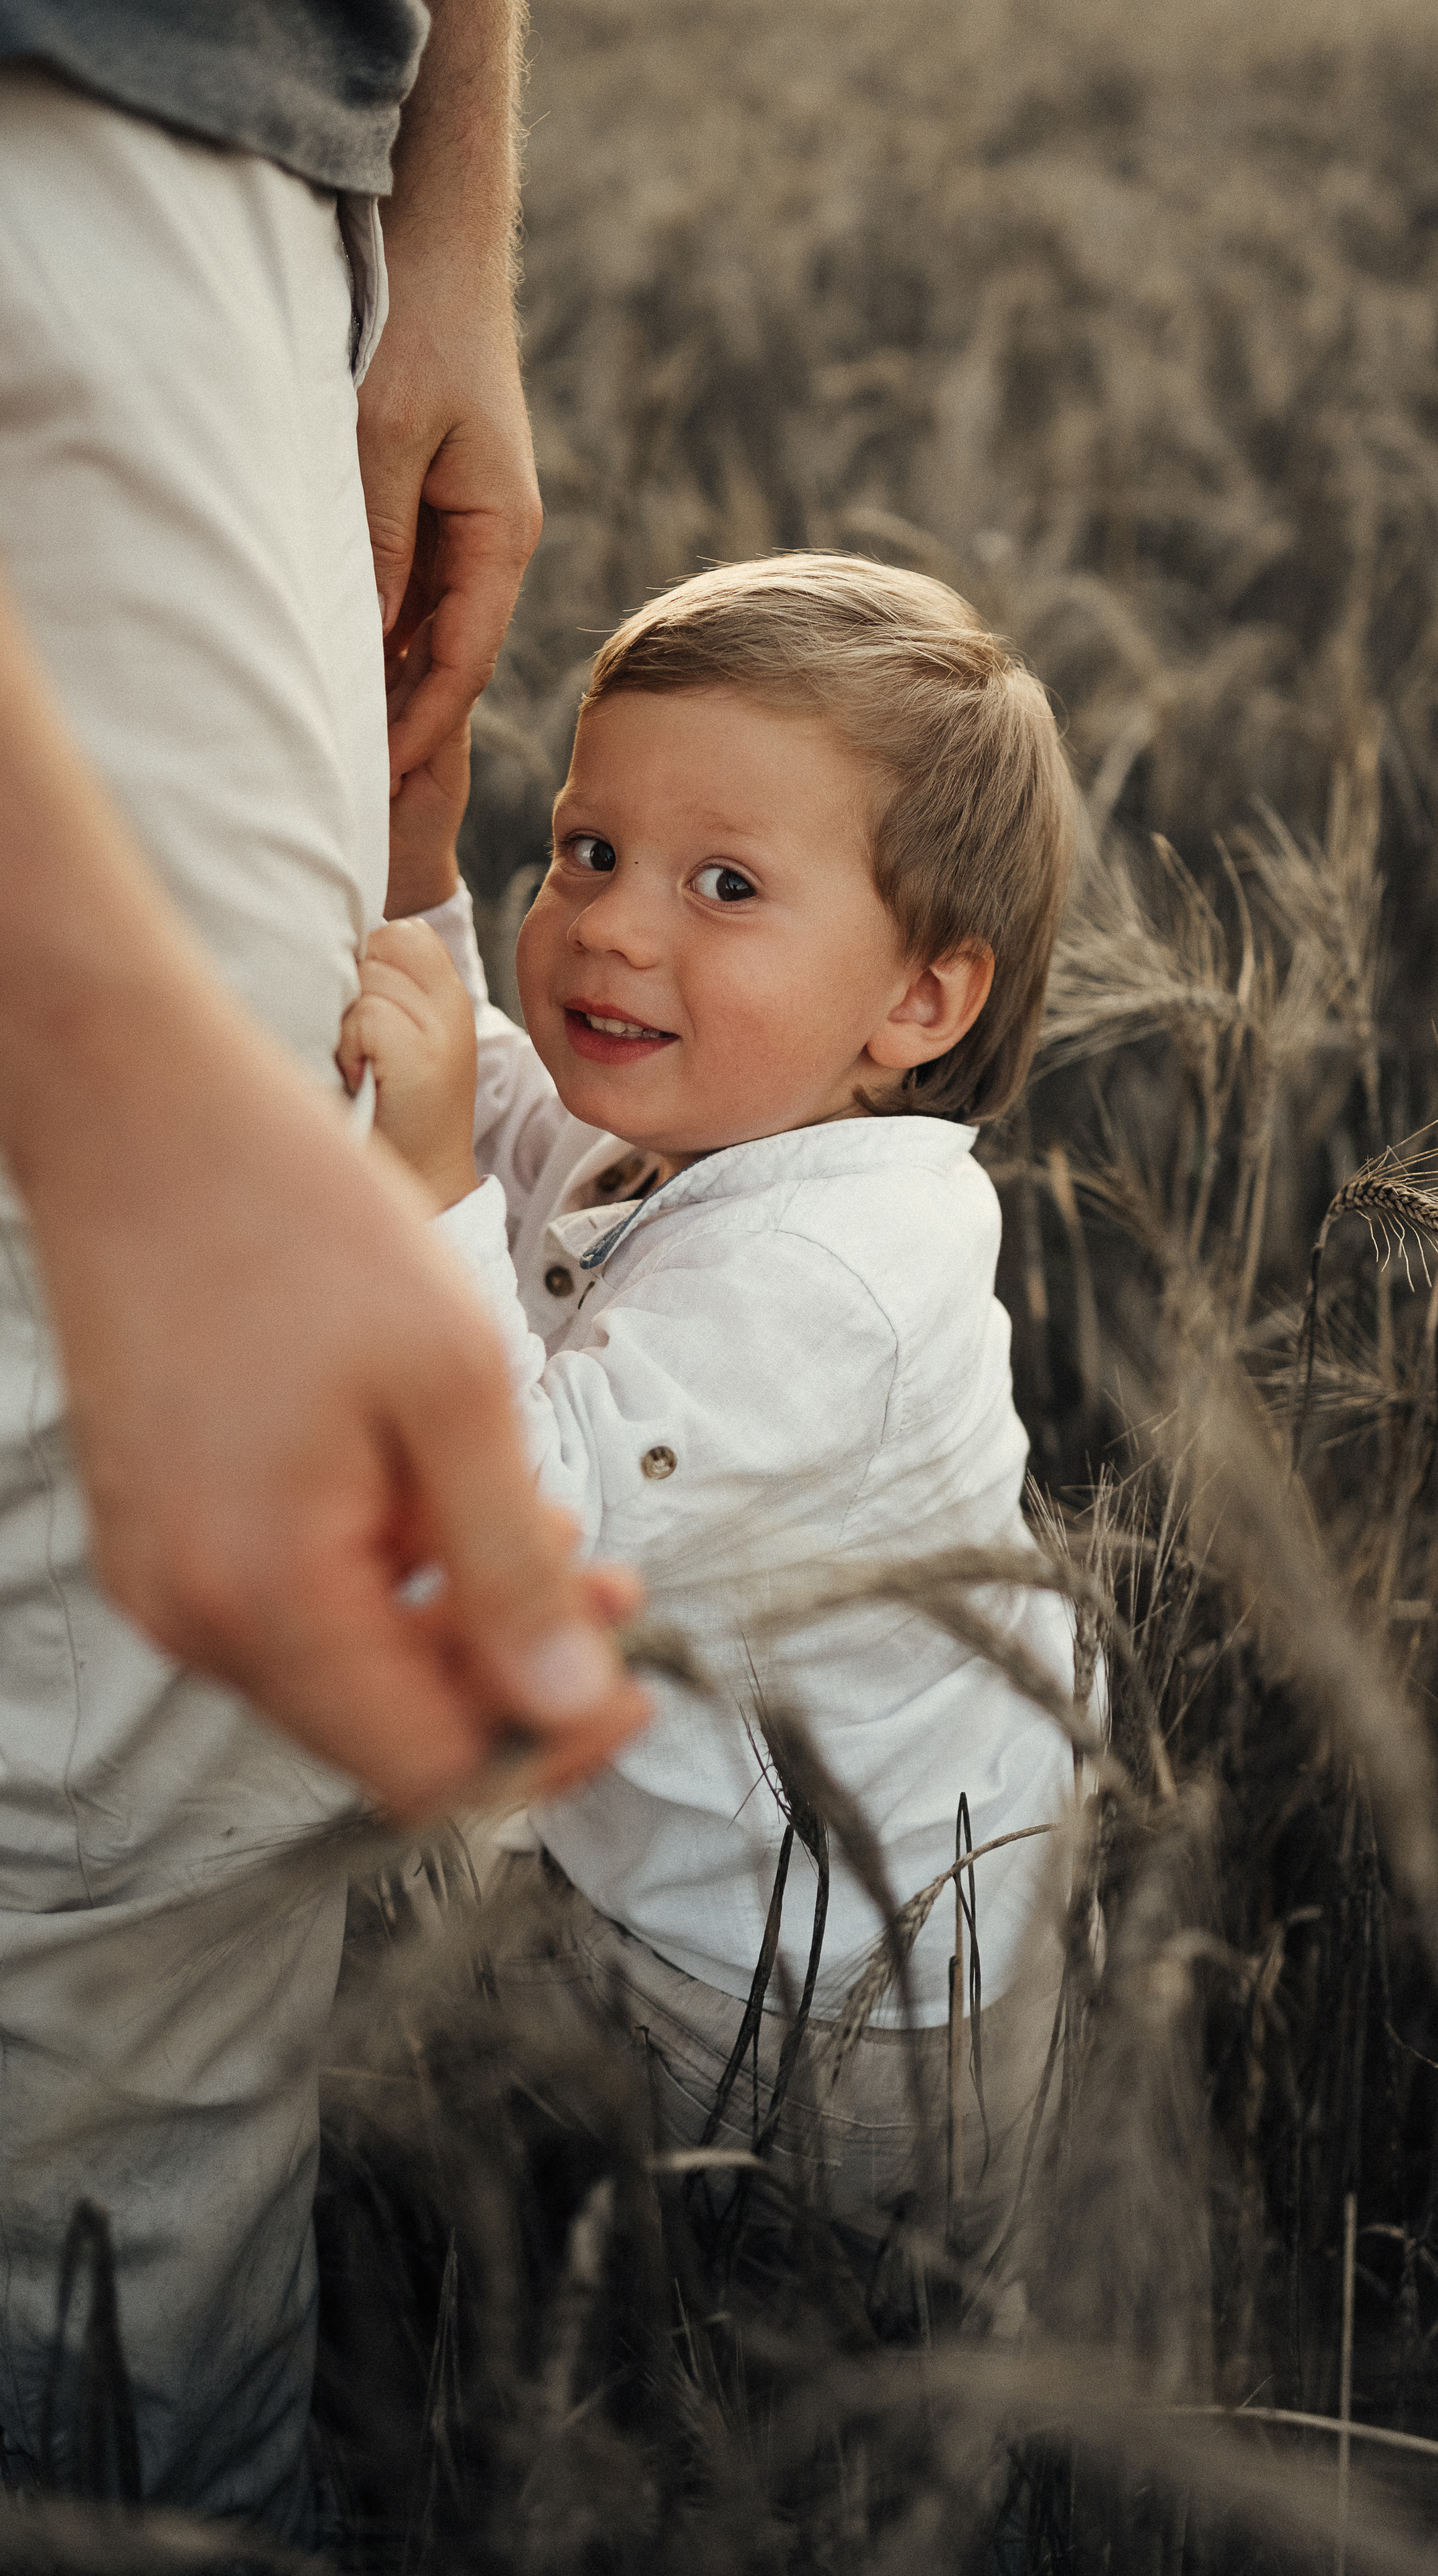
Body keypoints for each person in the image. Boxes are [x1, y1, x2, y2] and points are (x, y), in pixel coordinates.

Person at [0, 1, 645, 2534]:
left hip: (251, 177)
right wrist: (122, 1067)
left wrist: (440, 216)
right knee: (120, 1766)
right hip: (100, 157)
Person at [340, 553, 1082, 2277]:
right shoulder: (713, 1112)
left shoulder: (833, 1262)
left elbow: (530, 1534)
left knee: (740, 2370)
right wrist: (422, 869)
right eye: (585, 850)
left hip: (819, 2012)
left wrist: (424, 1174)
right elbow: (508, 1112)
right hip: (687, 1893)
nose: (608, 920)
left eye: (723, 884)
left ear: (918, 1001)